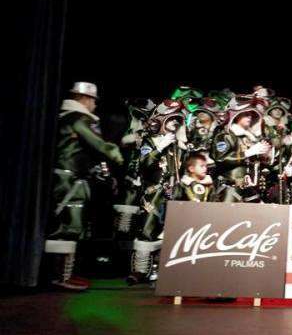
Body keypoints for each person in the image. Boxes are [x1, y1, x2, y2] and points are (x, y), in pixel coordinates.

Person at [45, 82, 124, 291]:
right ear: (86, 100)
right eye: (93, 101)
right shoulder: (79, 119)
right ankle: (60, 277)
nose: (95, 106)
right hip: (69, 179)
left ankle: (64, 273)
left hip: (66, 177)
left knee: (68, 224)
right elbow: (98, 144)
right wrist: (116, 155)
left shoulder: (64, 117)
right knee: (69, 225)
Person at [128, 99, 187, 285]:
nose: (175, 123)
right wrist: (159, 146)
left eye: (177, 120)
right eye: (172, 119)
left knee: (171, 232)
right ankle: (140, 270)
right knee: (147, 230)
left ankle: (163, 270)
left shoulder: (177, 144)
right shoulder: (150, 141)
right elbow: (143, 165)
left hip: (174, 193)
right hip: (153, 194)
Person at [211, 96, 273, 203]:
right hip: (230, 189)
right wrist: (249, 152)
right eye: (246, 114)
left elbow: (252, 163)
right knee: (226, 213)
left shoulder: (250, 138)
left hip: (250, 189)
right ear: (237, 115)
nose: (250, 117)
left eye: (251, 114)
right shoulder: (225, 135)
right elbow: (221, 158)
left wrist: (264, 156)